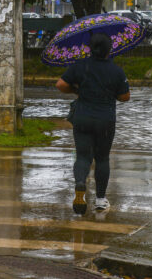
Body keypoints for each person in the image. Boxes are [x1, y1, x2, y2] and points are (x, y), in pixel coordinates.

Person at [55, 32, 130, 215]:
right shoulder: (116, 71)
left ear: (90, 48)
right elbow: (125, 97)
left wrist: (76, 90)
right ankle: (100, 200)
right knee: (102, 158)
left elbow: (60, 85)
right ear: (109, 49)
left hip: (82, 118)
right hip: (105, 120)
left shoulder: (80, 66)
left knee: (82, 156)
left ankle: (80, 183)